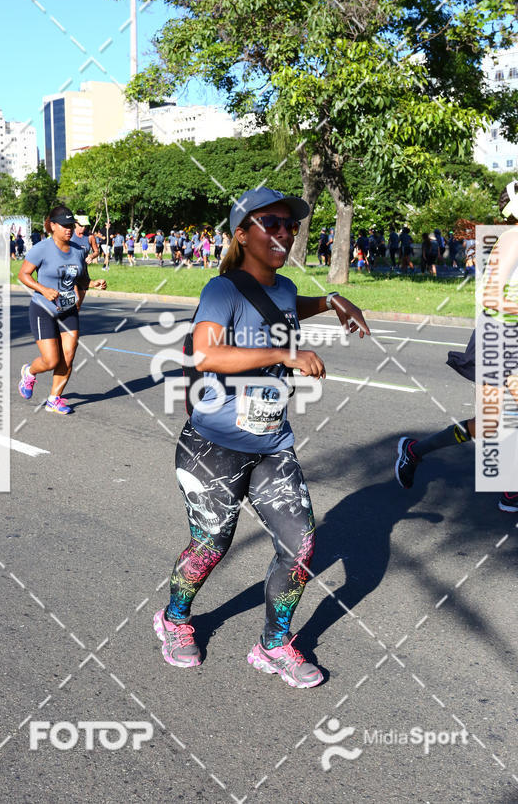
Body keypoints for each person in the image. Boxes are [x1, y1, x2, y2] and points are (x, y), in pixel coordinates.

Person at [153, 187, 370, 687]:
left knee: (301, 547)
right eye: (271, 223)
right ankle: (175, 618)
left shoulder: (285, 288)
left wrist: (332, 300)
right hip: (213, 445)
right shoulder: (222, 290)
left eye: (289, 225)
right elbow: (206, 354)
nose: (284, 233)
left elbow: (289, 307)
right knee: (211, 544)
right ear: (242, 234)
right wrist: (287, 355)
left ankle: (274, 644)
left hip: (272, 442)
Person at [395, 179, 518, 519]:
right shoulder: (512, 240)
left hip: (508, 333)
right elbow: (490, 296)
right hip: (496, 334)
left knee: (502, 421)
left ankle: (417, 451)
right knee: (516, 418)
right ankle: (511, 491)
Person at [16, 205, 89, 415]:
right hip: (43, 309)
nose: (69, 229)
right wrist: (43, 289)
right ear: (53, 226)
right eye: (64, 225)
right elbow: (23, 275)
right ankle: (29, 372)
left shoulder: (78, 250)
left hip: (68, 309)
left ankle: (54, 399)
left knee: (69, 355)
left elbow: (83, 279)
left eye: (71, 225)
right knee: (51, 360)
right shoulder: (42, 248)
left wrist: (88, 290)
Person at [70, 217, 107, 308]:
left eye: (85, 226)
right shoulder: (69, 235)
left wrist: (91, 256)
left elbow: (96, 251)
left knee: (77, 307)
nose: (83, 228)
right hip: (70, 272)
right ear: (75, 224)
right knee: (75, 301)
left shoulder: (90, 237)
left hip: (83, 272)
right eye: (81, 225)